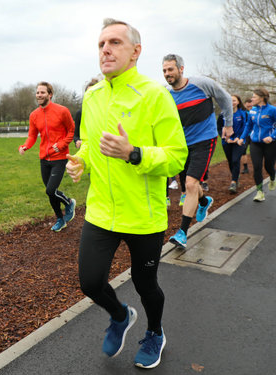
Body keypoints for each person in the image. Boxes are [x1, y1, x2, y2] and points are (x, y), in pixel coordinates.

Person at [66, 19, 187, 369]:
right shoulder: (92, 96)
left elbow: (177, 155)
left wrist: (134, 153)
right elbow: (89, 143)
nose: (105, 49)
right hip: (101, 211)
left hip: (143, 215)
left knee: (144, 281)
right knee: (90, 283)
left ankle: (154, 332)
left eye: (115, 42)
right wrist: (81, 162)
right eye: (102, 43)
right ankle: (120, 316)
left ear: (135, 52)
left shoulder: (154, 95)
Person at [162, 54, 233, 249]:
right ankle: (203, 201)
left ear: (181, 69)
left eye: (170, 69)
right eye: (164, 70)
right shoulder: (166, 94)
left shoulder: (202, 84)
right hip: (182, 144)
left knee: (191, 184)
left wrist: (228, 124)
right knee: (189, 185)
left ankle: (182, 232)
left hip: (205, 139)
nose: (167, 74)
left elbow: (225, 98)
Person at [19, 82, 76, 232]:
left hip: (59, 157)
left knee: (51, 190)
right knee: (50, 192)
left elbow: (71, 130)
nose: (39, 95)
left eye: (42, 92)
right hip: (44, 158)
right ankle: (60, 219)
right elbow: (32, 135)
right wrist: (25, 146)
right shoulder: (34, 115)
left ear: (50, 94)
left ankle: (69, 203)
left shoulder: (62, 111)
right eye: (38, 92)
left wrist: (62, 144)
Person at [237, 88, 276, 202]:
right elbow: (248, 126)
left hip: (270, 144)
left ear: (262, 98)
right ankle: (260, 192)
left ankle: (272, 177)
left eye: (254, 97)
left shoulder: (273, 110)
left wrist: (272, 137)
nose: (252, 99)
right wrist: (242, 138)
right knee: (257, 167)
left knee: (268, 166)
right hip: (255, 143)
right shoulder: (253, 110)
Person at [217, 95, 249, 193]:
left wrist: (238, 138)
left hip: (239, 141)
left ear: (238, 102)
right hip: (226, 142)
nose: (232, 102)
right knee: (231, 161)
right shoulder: (223, 114)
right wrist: (226, 138)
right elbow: (219, 127)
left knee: (235, 160)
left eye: (234, 100)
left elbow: (246, 127)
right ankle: (235, 178)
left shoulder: (244, 113)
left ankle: (233, 182)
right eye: (230, 100)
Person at [74, 78, 99, 149]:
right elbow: (76, 135)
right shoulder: (80, 113)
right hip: (85, 152)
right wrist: (77, 141)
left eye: (94, 92)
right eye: (88, 92)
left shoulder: (107, 110)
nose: (91, 94)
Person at [241, 98, 253, 174]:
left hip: (253, 135)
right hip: (245, 135)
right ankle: (245, 168)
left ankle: (257, 165)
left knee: (254, 151)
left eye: (250, 104)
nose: (249, 105)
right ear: (245, 104)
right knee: (243, 151)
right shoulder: (242, 112)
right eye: (247, 104)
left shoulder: (255, 112)